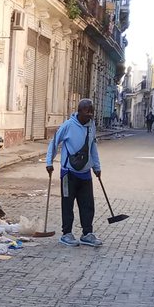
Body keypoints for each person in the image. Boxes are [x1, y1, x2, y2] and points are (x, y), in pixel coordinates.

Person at [45, 98, 103, 248]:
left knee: (88, 204)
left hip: (85, 173)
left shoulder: (91, 126)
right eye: (87, 112)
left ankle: (87, 234)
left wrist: (97, 166)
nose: (90, 115)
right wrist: (49, 162)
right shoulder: (68, 125)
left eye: (92, 112)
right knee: (67, 203)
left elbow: (93, 147)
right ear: (79, 111)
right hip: (68, 173)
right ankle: (66, 234)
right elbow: (54, 142)